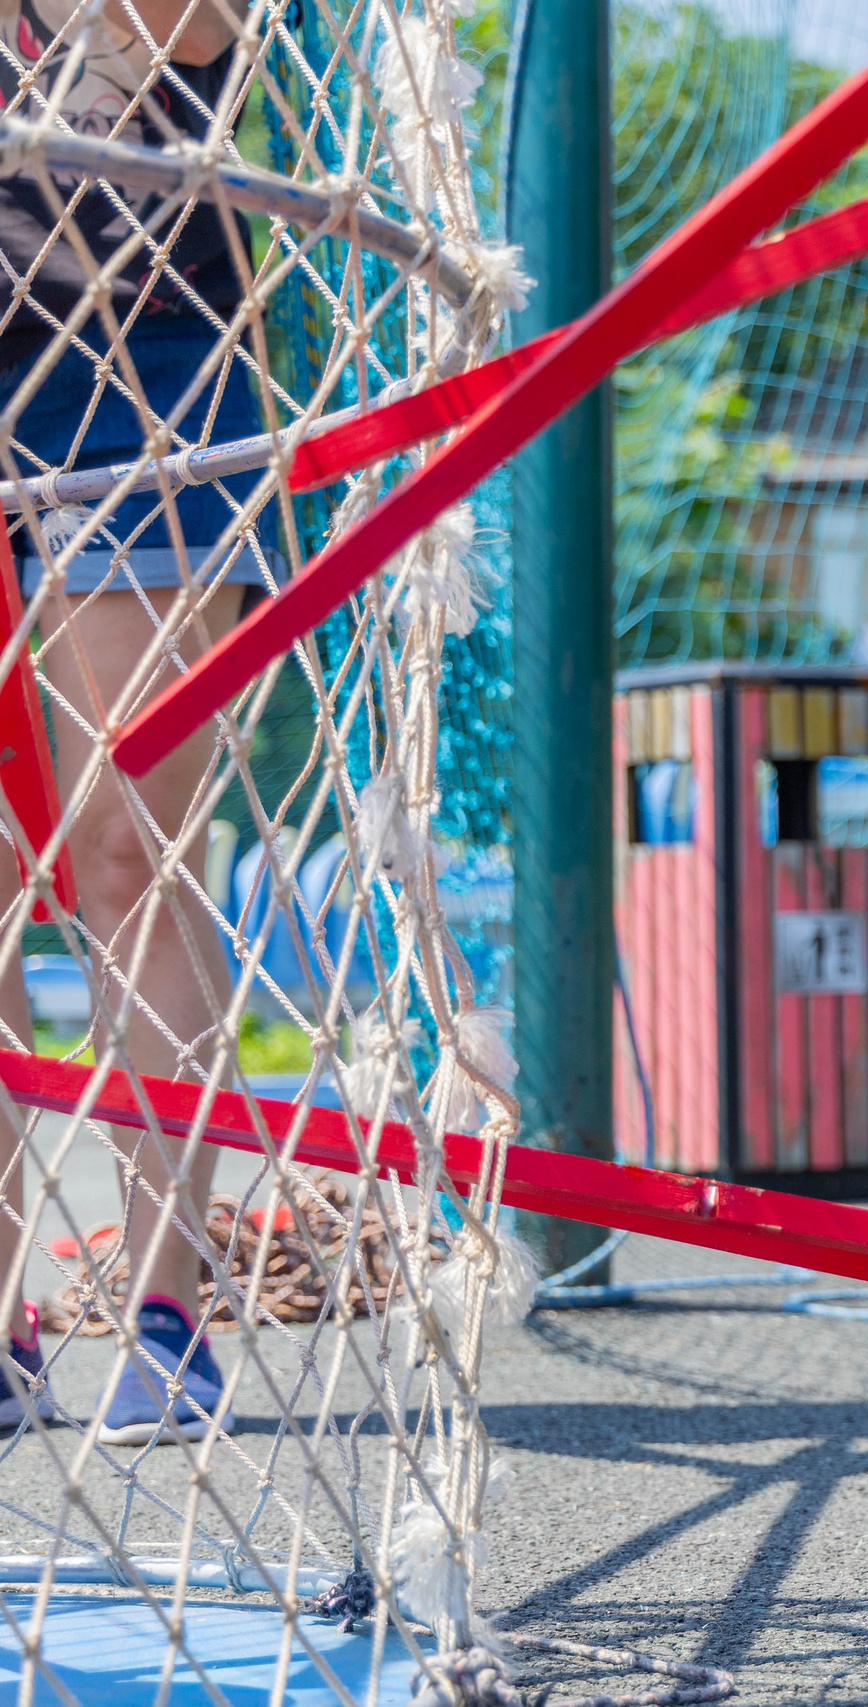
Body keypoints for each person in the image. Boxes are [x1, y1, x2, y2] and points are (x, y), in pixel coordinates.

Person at [0, 0, 285, 1444]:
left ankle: (166, 1307)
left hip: (144, 374)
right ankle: (2, 1325)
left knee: (131, 855)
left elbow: (185, 33)